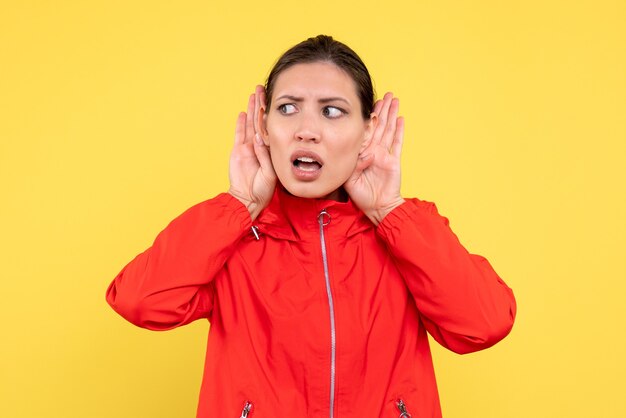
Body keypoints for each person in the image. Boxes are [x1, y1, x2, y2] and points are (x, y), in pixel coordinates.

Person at [106, 35, 516, 418]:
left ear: (368, 130)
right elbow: (140, 301)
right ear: (264, 126)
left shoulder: (407, 232)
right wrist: (239, 204)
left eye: (331, 111)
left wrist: (390, 211)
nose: (306, 129)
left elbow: (483, 325)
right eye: (287, 108)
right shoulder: (232, 236)